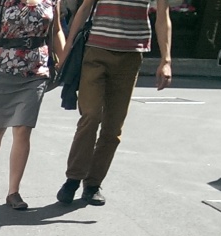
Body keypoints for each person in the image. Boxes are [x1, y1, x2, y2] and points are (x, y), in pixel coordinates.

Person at [55, 0, 172, 206]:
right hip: (95, 50)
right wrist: (68, 47)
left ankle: (93, 184)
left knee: (113, 126)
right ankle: (73, 179)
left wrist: (166, 60)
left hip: (131, 57)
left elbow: (163, 17)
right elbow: (84, 8)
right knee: (90, 115)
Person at [0, 0, 65, 209]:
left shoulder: (52, 1)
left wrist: (64, 62)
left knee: (23, 129)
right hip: (1, 68)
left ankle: (13, 192)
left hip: (36, 71)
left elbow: (57, 30)